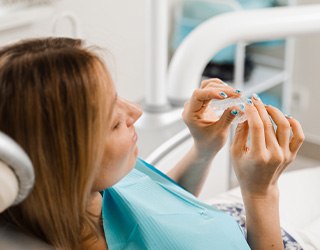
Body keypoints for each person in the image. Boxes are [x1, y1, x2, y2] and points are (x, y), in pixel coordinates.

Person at [0, 37, 304, 250]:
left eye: (117, 96)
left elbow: (157, 209)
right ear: (67, 163)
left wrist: (203, 150)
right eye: (115, 121)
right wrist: (262, 193)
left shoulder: (95, 189)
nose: (135, 111)